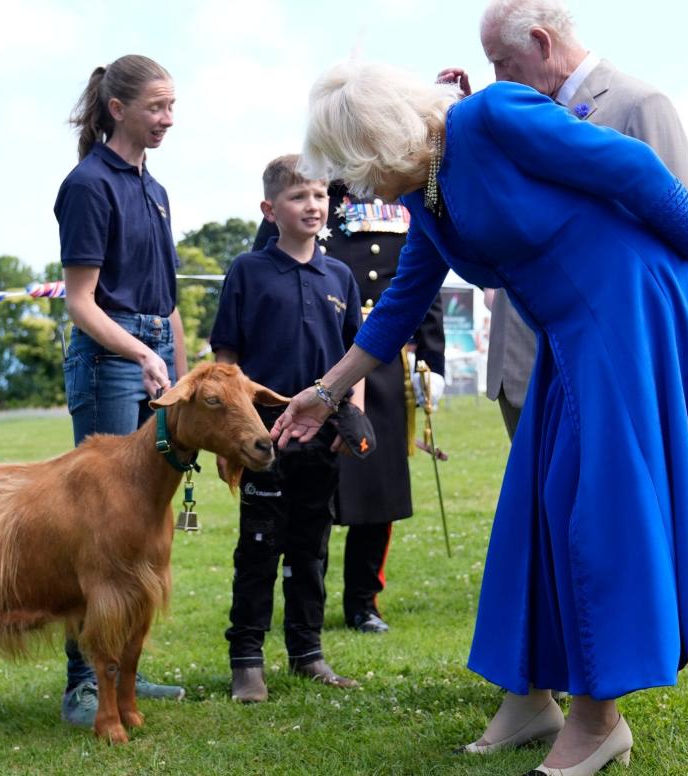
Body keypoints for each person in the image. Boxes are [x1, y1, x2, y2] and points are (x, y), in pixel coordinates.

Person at [273, 60, 688, 775]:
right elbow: (405, 299)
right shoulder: (425, 191)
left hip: (631, 310)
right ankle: (529, 697)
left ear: (379, 141)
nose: (351, 189)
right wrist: (324, 391)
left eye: (353, 167)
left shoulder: (492, 117)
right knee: (532, 512)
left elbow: (630, 167)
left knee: (596, 513)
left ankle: (599, 721)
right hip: (570, 334)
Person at [435, 0, 688, 757]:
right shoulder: (507, 113)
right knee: (539, 525)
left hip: (614, 356)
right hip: (533, 352)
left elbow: (667, 229)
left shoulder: (640, 105)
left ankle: (598, 705)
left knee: (596, 523)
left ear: (541, 42)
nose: (493, 80)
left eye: (499, 64)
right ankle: (533, 694)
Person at [53, 53, 188, 728]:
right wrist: (137, 351)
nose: (167, 119)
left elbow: (166, 303)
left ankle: (125, 674)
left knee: (146, 530)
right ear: (117, 109)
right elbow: (79, 301)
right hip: (110, 360)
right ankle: (83, 687)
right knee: (101, 532)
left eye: (172, 108)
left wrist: (181, 380)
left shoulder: (154, 189)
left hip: (155, 358)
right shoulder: (87, 184)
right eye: (156, 108)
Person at [254, 184, 446, 634]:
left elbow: (424, 279)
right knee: (306, 492)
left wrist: (430, 362)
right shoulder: (310, 195)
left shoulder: (406, 197)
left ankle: (364, 601)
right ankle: (306, 596)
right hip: (313, 353)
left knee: (377, 492)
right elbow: (269, 270)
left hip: (380, 363)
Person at [211, 154, 363, 702]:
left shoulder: (339, 275)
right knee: (259, 545)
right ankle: (246, 660)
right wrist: (232, 433)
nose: (313, 205)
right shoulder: (247, 272)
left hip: (321, 435)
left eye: (320, 195)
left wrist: (351, 418)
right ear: (269, 209)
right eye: (300, 197)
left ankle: (307, 652)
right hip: (263, 438)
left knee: (310, 547)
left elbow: (356, 355)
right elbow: (226, 359)